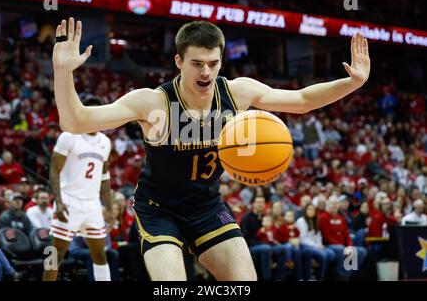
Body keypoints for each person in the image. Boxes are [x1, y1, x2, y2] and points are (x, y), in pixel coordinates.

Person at [53, 17, 370, 280]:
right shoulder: (153, 101)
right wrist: (63, 71)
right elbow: (75, 121)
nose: (206, 72)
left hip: (206, 206)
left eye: (213, 63)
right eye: (196, 64)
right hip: (159, 210)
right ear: (179, 62)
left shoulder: (237, 93)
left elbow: (301, 101)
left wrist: (351, 83)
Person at [42, 97, 114, 281]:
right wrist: (58, 202)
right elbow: (54, 169)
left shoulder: (105, 142)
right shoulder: (69, 135)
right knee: (55, 253)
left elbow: (104, 178)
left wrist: (110, 209)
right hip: (69, 201)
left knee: (100, 255)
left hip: (92, 205)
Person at [319, 196, 367, 279]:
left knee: (361, 251)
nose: (334, 206)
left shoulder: (341, 218)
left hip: (342, 246)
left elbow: (346, 235)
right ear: (327, 205)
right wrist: (344, 248)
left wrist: (349, 246)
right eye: (332, 204)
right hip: (328, 245)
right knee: (340, 249)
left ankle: (348, 274)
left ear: (338, 206)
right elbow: (326, 236)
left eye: (336, 204)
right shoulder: (322, 218)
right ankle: (342, 275)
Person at [296, 203, 335, 280]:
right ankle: (319, 277)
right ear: (305, 210)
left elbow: (318, 236)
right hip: (304, 245)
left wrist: (320, 244)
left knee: (331, 254)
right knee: (323, 255)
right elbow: (303, 238)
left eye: (313, 210)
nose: (311, 211)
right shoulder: (301, 221)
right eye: (309, 209)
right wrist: (316, 246)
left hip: (315, 245)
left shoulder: (315, 221)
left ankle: (318, 274)